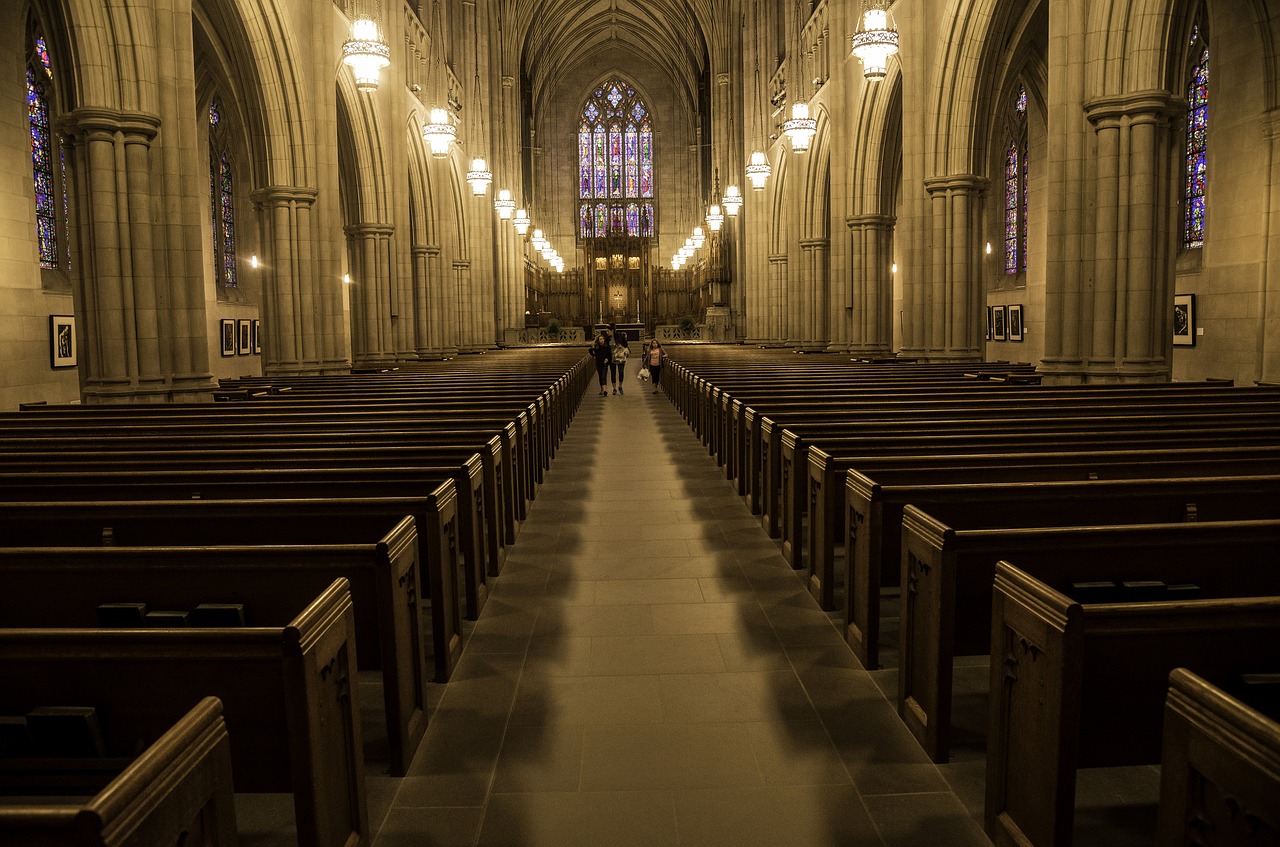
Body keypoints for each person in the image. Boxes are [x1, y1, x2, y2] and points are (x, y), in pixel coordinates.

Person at [590, 331, 612, 396]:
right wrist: (594, 355)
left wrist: (607, 359)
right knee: (600, 376)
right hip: (598, 363)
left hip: (604, 363)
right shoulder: (597, 347)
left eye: (602, 339)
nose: (601, 340)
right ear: (598, 340)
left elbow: (609, 355)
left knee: (603, 376)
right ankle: (602, 389)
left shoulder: (607, 346)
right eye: (600, 339)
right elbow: (590, 350)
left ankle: (605, 390)